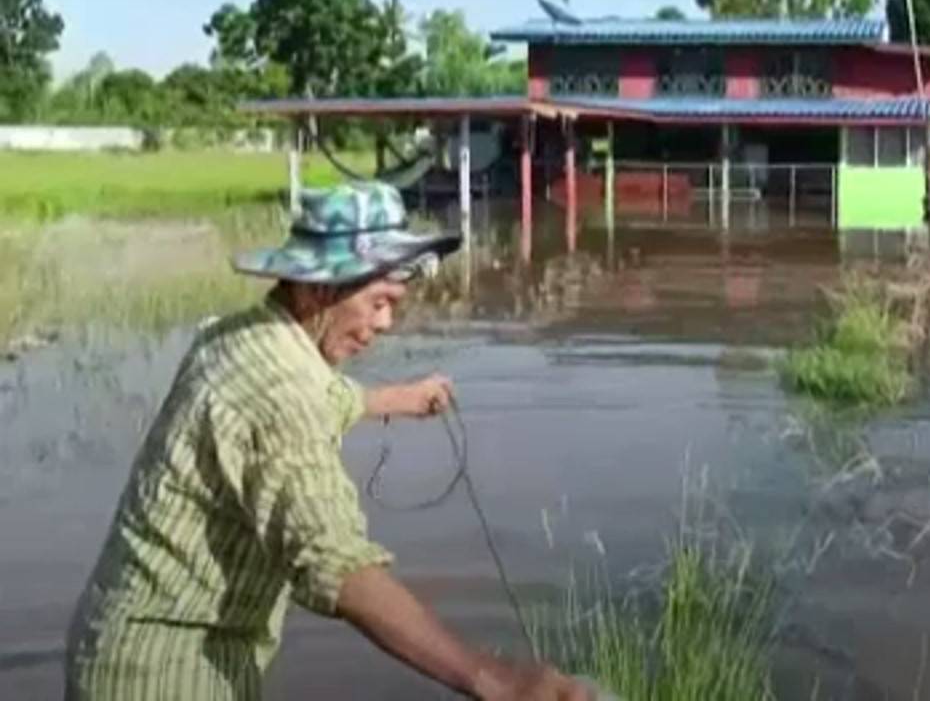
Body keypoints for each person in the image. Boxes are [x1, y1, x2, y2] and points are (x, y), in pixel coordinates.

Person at [65, 183, 592, 700]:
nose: (386, 323)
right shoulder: (281, 392)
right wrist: (493, 679)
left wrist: (399, 399)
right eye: (380, 301)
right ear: (318, 289)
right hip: (167, 675)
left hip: (125, 645)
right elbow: (333, 560)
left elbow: (322, 398)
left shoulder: (244, 335)